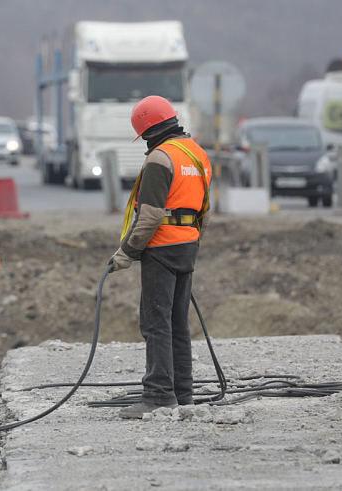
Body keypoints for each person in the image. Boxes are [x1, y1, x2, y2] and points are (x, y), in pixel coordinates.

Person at [109, 96, 211, 419]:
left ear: (148, 130)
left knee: (155, 322)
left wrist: (126, 252)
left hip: (162, 247)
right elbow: (204, 212)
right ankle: (184, 395)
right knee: (178, 323)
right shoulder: (198, 155)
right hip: (188, 246)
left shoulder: (160, 158)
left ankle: (157, 395)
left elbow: (150, 216)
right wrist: (190, 245)